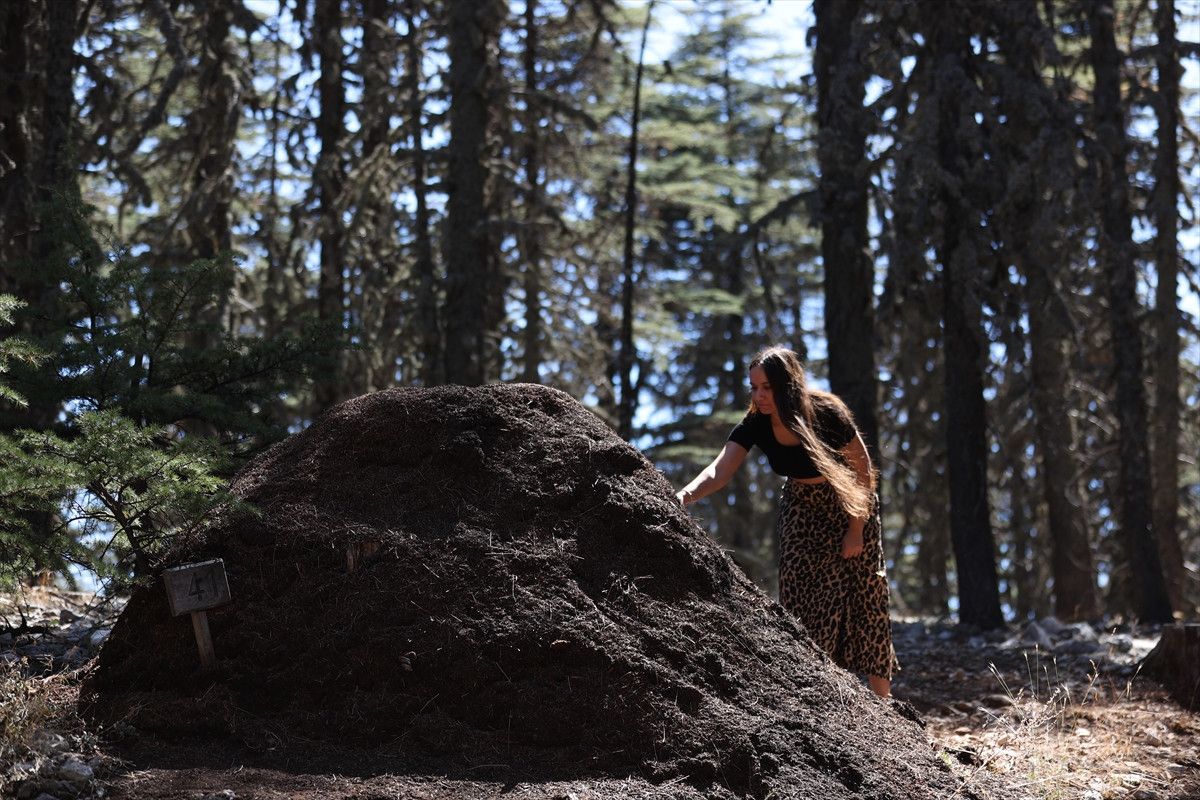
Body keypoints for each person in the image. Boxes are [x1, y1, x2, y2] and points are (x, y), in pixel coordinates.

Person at [676, 345, 898, 697]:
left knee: (865, 596)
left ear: (787, 385)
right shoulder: (756, 423)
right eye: (753, 387)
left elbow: (863, 470)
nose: (759, 395)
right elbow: (720, 470)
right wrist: (682, 497)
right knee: (800, 595)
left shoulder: (825, 413)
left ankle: (884, 707)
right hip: (801, 507)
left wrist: (856, 529)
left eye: (767, 387)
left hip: (849, 502)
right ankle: (818, 693)